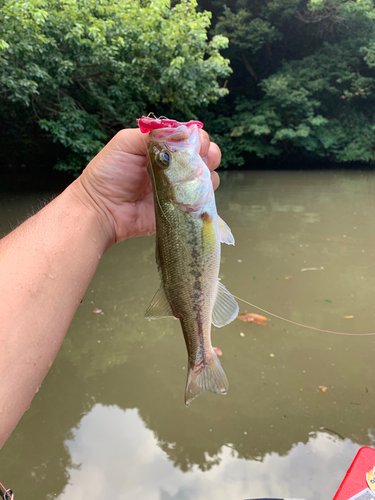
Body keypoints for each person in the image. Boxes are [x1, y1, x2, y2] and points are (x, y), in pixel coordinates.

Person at [0, 127, 221, 449]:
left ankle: (201, 359)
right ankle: (201, 359)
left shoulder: (188, 204)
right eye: (164, 158)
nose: (166, 153)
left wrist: (97, 204)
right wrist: (96, 202)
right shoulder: (193, 206)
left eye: (163, 159)